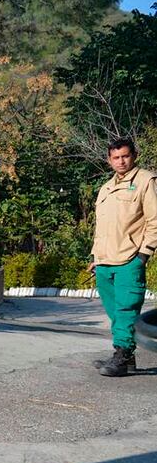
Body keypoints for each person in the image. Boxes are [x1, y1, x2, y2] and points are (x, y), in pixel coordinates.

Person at [90, 137, 157, 377]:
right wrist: (95, 256)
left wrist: (143, 255)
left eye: (125, 156)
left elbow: (154, 220)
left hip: (129, 259)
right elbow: (102, 226)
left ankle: (122, 354)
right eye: (116, 157)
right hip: (104, 261)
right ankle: (127, 357)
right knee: (115, 312)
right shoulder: (106, 188)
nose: (121, 161)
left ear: (134, 156)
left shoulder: (146, 181)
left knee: (127, 309)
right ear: (109, 160)